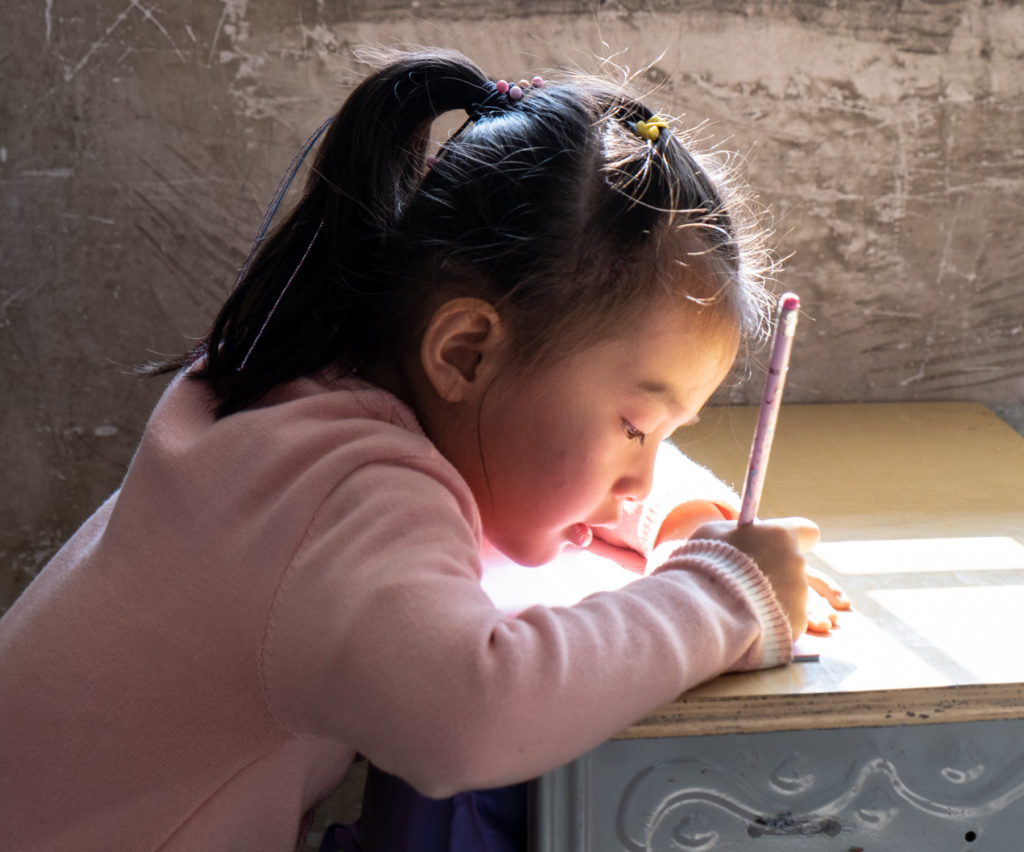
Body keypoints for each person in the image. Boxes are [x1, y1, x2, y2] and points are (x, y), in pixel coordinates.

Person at [0, 48, 847, 852]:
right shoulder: (353, 499)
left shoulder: (293, 397)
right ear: (465, 353)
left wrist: (680, 516)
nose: (641, 473)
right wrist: (726, 598)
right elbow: (474, 717)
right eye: (635, 429)